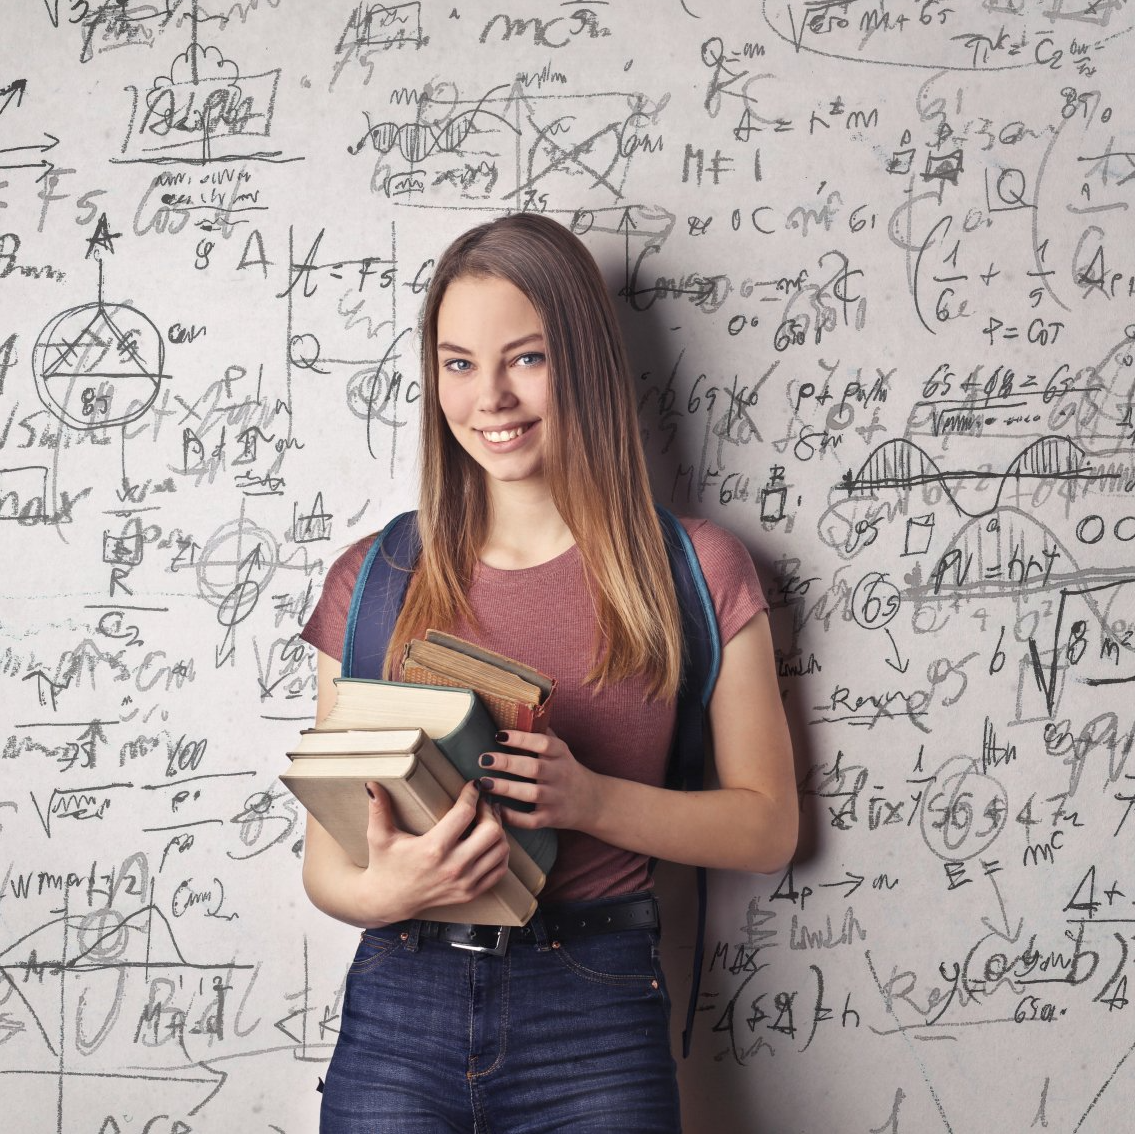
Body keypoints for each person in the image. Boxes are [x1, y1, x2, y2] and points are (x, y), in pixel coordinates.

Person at [298, 213, 798, 1133]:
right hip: (398, 1004)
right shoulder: (371, 579)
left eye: (524, 358)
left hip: (595, 1013)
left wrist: (589, 800)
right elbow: (330, 865)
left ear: (585, 362)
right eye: (457, 363)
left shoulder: (697, 569)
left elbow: (768, 827)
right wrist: (391, 890)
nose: (488, 397)